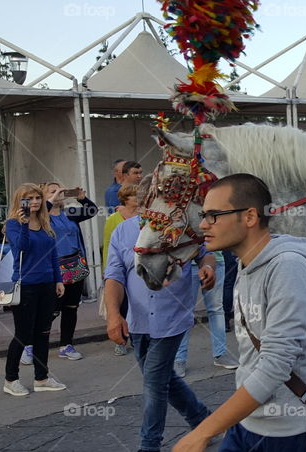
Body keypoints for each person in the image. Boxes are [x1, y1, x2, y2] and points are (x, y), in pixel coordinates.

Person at [173, 173, 306, 452]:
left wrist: (203, 431)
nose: (202, 225)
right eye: (203, 215)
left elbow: (274, 365)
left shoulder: (287, 267)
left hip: (288, 434)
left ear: (249, 217)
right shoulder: (247, 264)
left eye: (213, 216)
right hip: (247, 422)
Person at [104, 191, 217, 452]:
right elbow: (114, 276)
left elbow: (205, 254)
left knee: (154, 382)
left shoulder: (183, 228)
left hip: (172, 319)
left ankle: (149, 445)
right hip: (138, 320)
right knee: (164, 378)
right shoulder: (122, 231)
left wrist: (208, 268)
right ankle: (203, 420)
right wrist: (113, 315)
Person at [3, 183, 67, 397]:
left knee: (43, 333)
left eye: (37, 197)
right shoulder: (13, 224)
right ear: (20, 201)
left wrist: (58, 279)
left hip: (47, 284)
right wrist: (23, 224)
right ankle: (11, 379)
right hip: (26, 285)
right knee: (22, 334)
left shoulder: (44, 221)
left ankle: (42, 377)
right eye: (29, 198)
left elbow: (52, 254)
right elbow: (22, 248)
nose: (35, 202)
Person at [36, 182, 97, 362]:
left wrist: (82, 198)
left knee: (71, 308)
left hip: (75, 264)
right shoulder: (41, 216)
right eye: (53, 191)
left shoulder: (69, 214)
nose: (59, 194)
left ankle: (66, 345)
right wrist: (49, 201)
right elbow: (41, 213)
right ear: (44, 196)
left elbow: (91, 210)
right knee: (51, 310)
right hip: (54, 269)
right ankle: (31, 344)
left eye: (61, 191)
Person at [173, 250, 239, 378]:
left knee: (216, 309)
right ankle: (178, 359)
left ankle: (220, 354)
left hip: (216, 260)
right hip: (187, 262)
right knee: (185, 312)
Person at [102, 184, 139, 356]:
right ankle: (121, 340)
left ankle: (135, 334)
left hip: (136, 268)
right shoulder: (113, 219)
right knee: (122, 304)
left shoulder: (143, 217)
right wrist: (106, 270)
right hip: (119, 266)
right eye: (133, 196)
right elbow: (108, 245)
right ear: (126, 199)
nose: (137, 198)